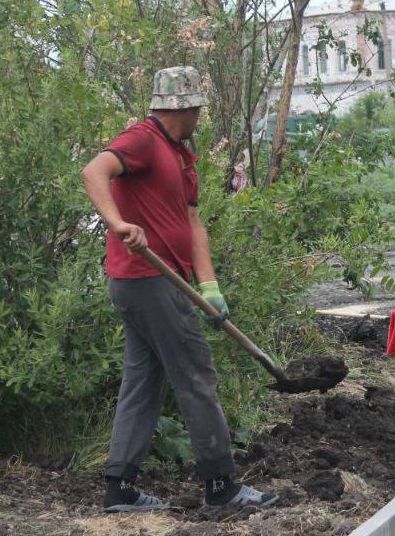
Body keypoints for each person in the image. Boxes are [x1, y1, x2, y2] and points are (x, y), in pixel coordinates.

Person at [81, 66, 277, 513]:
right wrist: (118, 223)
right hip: (146, 279)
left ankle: (120, 487)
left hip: (161, 282)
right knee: (194, 373)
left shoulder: (181, 155)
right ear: (184, 107)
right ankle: (221, 485)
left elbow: (192, 224)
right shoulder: (144, 140)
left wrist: (209, 287)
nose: (200, 118)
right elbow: (94, 172)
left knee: (142, 380)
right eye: (198, 110)